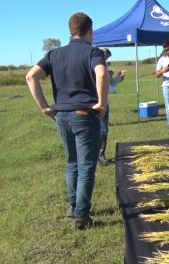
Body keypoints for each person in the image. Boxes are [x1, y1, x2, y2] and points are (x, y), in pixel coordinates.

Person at [25, 12, 108, 229]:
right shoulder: (93, 51)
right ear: (90, 30)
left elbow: (30, 76)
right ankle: (81, 215)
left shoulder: (54, 54)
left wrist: (44, 106)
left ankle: (73, 205)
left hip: (61, 116)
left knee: (72, 162)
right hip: (84, 115)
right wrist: (102, 102)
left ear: (71, 31)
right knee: (87, 165)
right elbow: (101, 74)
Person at [98, 48, 125, 166]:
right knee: (99, 130)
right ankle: (97, 157)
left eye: (108, 57)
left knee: (104, 130)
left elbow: (111, 84)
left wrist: (120, 77)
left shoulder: (105, 67)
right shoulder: (95, 66)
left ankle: (100, 155)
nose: (106, 58)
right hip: (95, 103)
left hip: (105, 103)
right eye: (106, 56)